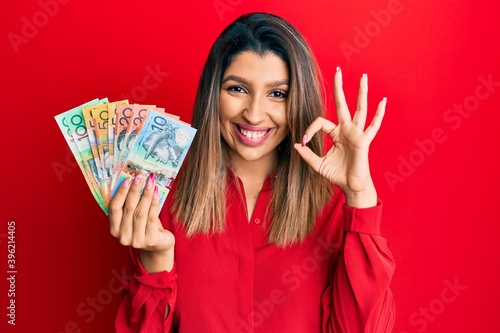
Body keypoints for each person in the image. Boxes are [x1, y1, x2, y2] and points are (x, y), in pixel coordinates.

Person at [109, 12, 395, 333]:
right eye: (237, 89)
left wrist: (360, 195)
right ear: (212, 95)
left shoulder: (333, 212)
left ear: (298, 102)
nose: (255, 113)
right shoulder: (162, 198)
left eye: (277, 94)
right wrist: (156, 259)